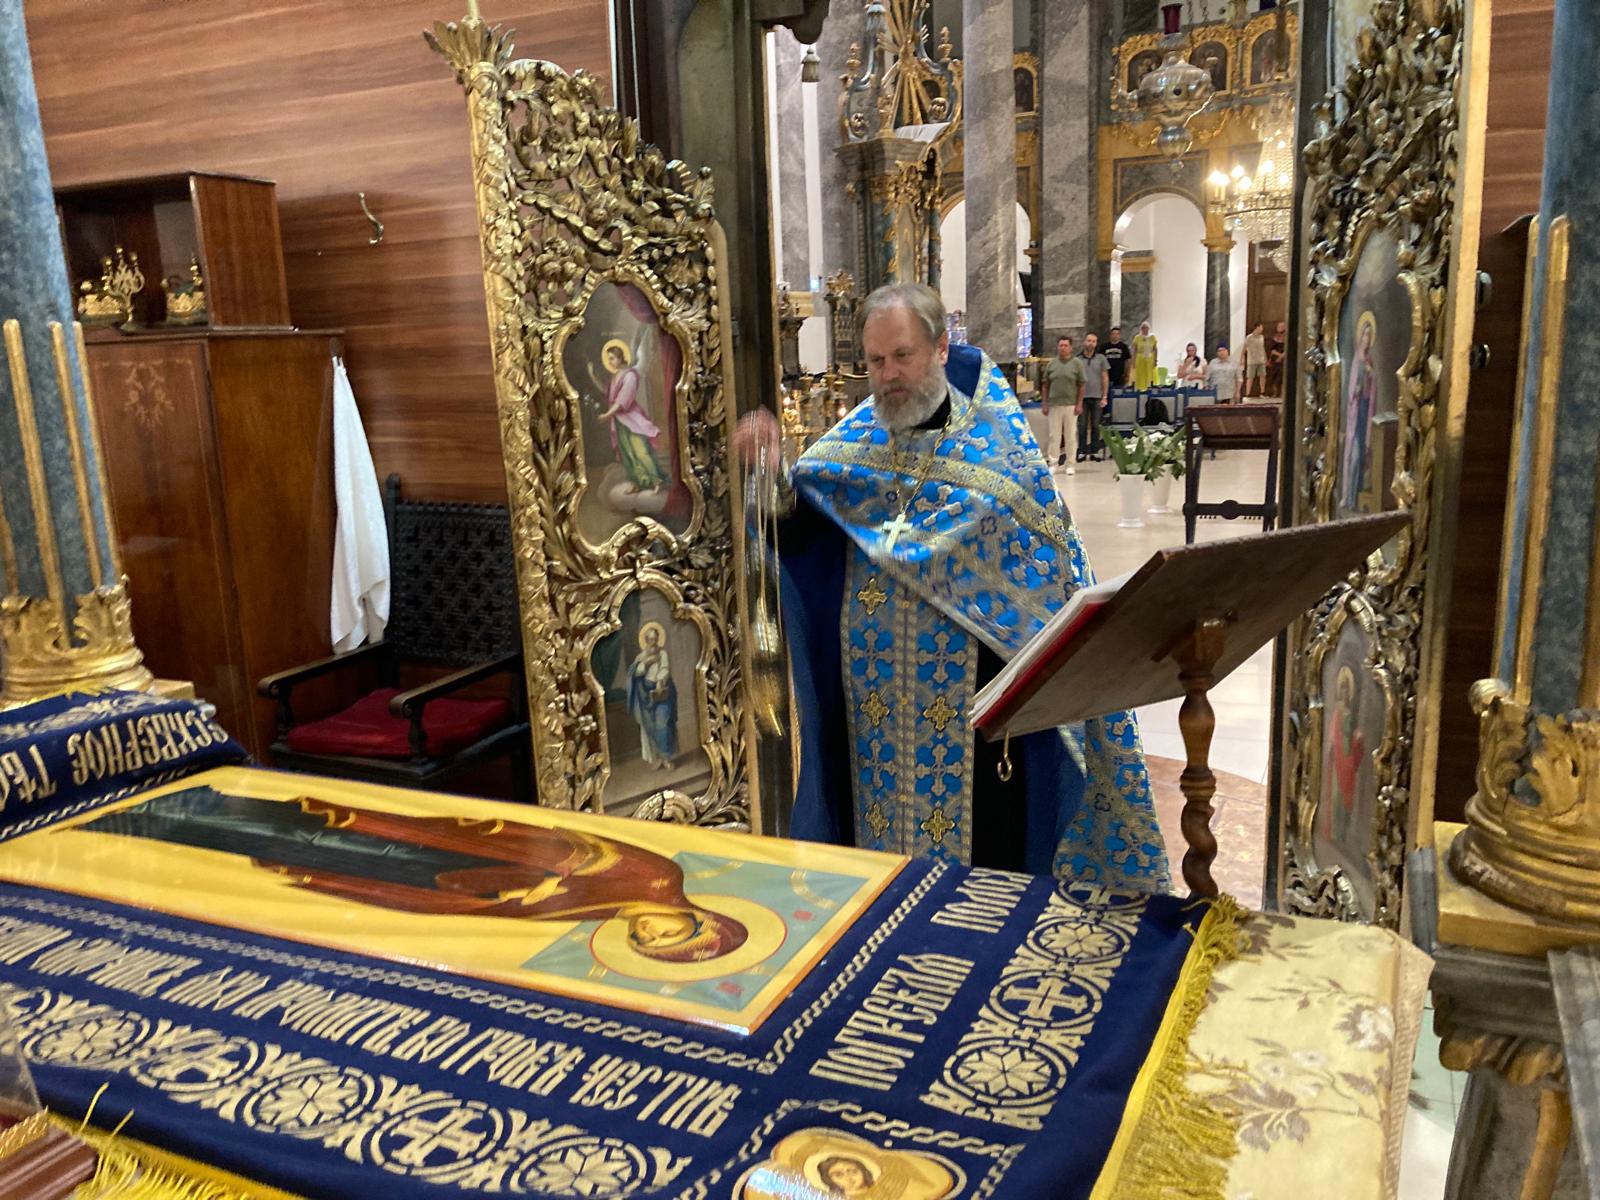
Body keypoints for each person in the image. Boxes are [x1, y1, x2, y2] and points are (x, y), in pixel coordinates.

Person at [735, 283, 1166, 888]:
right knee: (882, 873)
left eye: (902, 356)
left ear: (940, 348)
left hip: (973, 715)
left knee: (981, 875)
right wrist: (770, 474)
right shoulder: (850, 448)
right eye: (876, 361)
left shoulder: (1002, 457)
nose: (889, 375)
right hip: (875, 715)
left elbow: (1051, 579)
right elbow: (803, 531)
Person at [83, 787, 751, 962]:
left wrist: (519, 899)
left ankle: (192, 825)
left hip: (443, 880)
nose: (648, 935)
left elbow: (515, 909)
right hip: (463, 851)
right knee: (323, 829)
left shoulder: (602, 916)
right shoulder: (657, 881)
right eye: (668, 934)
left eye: (649, 945)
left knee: (314, 854)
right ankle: (185, 811)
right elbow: (588, 849)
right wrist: (553, 879)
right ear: (694, 919)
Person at [592, 339, 667, 493]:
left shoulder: (630, 375)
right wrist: (592, 375)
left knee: (641, 451)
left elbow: (622, 400)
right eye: (608, 359)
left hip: (632, 420)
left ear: (620, 357)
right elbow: (607, 392)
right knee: (628, 454)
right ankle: (639, 482)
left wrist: (607, 415)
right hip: (619, 422)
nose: (610, 362)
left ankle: (657, 481)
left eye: (612, 358)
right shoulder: (615, 377)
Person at [1339, 311, 1379, 511]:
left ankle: (1356, 499)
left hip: (1365, 412)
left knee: (1363, 456)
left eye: (1369, 335)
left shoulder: (1369, 361)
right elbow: (1350, 390)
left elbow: (1374, 390)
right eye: (1365, 334)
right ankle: (1348, 496)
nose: (1366, 338)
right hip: (1355, 413)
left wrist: (1371, 377)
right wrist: (1355, 391)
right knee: (1353, 456)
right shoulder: (1356, 360)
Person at [627, 622, 678, 771]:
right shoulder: (641, 656)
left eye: (655, 639)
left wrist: (660, 681)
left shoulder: (662, 654)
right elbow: (636, 673)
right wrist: (647, 662)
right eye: (650, 640)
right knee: (650, 727)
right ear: (646, 641)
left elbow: (665, 668)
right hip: (645, 696)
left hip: (662, 693)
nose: (653, 643)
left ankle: (666, 758)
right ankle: (657, 758)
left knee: (662, 725)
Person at [1039, 334, 1086, 474]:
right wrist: (1044, 403)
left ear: (1070, 348)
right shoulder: (1052, 364)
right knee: (1054, 435)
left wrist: (1079, 403)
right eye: (1061, 345)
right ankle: (1053, 462)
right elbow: (1045, 385)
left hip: (1071, 405)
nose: (1063, 348)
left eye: (1065, 345)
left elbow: (1081, 384)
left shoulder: (1077, 363)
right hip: (1054, 404)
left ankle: (1070, 464)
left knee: (1070, 435)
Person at [1077, 332, 1111, 463]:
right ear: (1084, 342)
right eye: (1089, 341)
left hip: (1097, 396)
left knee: (1096, 425)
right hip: (1082, 397)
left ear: (1096, 344)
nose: (1091, 343)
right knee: (1082, 425)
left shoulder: (1101, 359)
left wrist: (1104, 396)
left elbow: (1105, 378)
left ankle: (1094, 451)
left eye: (1093, 341)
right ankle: (1081, 451)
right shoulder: (1077, 360)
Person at [1101, 324, 1130, 393]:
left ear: (1119, 335)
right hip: (1107, 375)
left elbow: (1127, 361)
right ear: (1110, 335)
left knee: (1119, 394)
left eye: (1117, 334)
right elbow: (1100, 361)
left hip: (1119, 376)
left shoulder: (1124, 347)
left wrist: (1127, 374)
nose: (1115, 335)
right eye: (1113, 333)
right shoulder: (1104, 346)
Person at [1241, 322, 1267, 398]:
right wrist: (1242, 359)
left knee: (1263, 376)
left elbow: (1263, 348)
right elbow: (1244, 348)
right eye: (1261, 327)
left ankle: (1262, 393)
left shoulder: (1262, 337)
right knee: (1250, 377)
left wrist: (1265, 358)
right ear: (1257, 327)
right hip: (1252, 361)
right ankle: (1248, 393)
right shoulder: (1249, 337)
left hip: (1261, 360)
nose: (1262, 329)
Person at [1131, 321, 1158, 392]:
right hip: (1140, 359)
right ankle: (1140, 389)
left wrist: (1155, 360)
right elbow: (1134, 350)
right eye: (1143, 328)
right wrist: (1133, 361)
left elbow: (1155, 349)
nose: (1145, 329)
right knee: (1140, 374)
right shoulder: (1137, 337)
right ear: (1141, 329)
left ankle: (1150, 388)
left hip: (1150, 359)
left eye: (1146, 328)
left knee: (1150, 375)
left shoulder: (1152, 337)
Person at [1266, 320, 1287, 397]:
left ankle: (1283, 394)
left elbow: (1288, 349)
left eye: (1281, 326)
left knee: (1283, 377)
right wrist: (1277, 356)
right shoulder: (1275, 337)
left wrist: (1281, 356)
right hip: (1275, 360)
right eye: (1279, 326)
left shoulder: (1287, 337)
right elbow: (1272, 350)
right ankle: (1274, 393)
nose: (1279, 328)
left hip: (1284, 360)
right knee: (1274, 377)